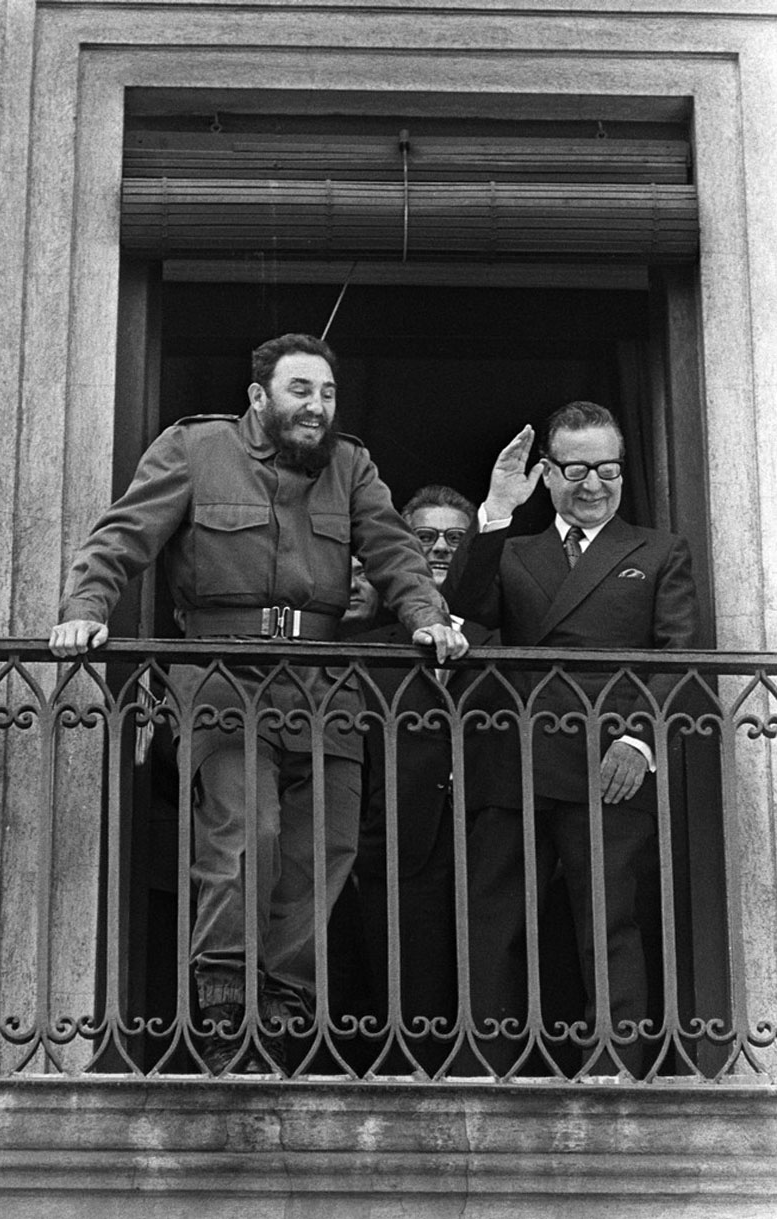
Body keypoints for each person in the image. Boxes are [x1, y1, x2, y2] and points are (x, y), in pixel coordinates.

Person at [49, 332, 467, 1074]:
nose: (317, 406)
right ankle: (225, 1012)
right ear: (258, 396)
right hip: (221, 671)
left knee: (325, 847)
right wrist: (87, 605)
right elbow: (122, 536)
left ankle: (279, 1013)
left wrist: (427, 615)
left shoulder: (352, 464)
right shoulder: (193, 450)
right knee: (248, 832)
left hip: (322, 678)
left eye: (327, 393)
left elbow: (395, 552)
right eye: (301, 390)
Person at [442, 402, 699, 1076]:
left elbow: (676, 657)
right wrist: (494, 512)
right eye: (578, 468)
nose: (593, 484)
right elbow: (466, 610)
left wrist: (640, 742)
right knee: (493, 919)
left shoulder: (659, 549)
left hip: (608, 759)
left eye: (608, 469)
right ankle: (482, 1062)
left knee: (608, 918)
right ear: (549, 474)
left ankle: (613, 1061)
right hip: (512, 755)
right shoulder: (516, 550)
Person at [353, 485, 502, 1074]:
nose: (440, 549)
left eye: (455, 539)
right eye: (425, 538)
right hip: (390, 843)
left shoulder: (502, 642)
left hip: (487, 840)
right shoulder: (364, 648)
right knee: (393, 988)